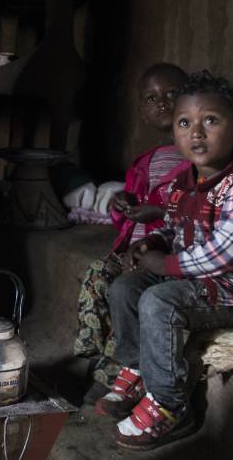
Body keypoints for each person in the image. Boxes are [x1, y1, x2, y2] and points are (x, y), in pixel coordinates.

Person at [94, 71, 233, 451]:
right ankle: (138, 367)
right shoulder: (182, 185)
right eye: (184, 123)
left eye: (211, 120)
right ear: (174, 133)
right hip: (195, 282)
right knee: (126, 286)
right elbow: (175, 230)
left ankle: (171, 405)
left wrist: (162, 265)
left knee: (158, 301)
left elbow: (222, 254)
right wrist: (152, 245)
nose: (197, 133)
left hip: (232, 293)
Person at [74, 63, 190, 395]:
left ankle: (119, 373)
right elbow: (130, 218)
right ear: (142, 111)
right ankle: (98, 360)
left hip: (164, 256)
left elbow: (197, 213)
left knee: (125, 289)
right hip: (133, 250)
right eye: (152, 98)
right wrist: (120, 205)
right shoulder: (146, 161)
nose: (163, 103)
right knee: (97, 275)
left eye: (172, 94)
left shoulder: (198, 159)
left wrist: (158, 215)